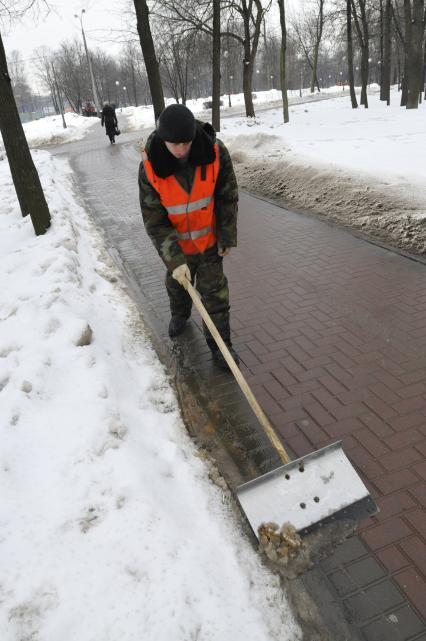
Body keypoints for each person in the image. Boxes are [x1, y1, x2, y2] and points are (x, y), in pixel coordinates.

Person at [138, 103, 239, 370]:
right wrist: (174, 261)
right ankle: (179, 315)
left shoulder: (216, 153)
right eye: (174, 144)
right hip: (177, 247)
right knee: (178, 286)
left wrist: (226, 235)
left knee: (216, 296)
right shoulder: (150, 167)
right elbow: (154, 220)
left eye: (186, 142)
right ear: (163, 140)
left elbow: (227, 196)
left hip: (209, 244)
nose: (181, 150)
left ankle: (221, 349)